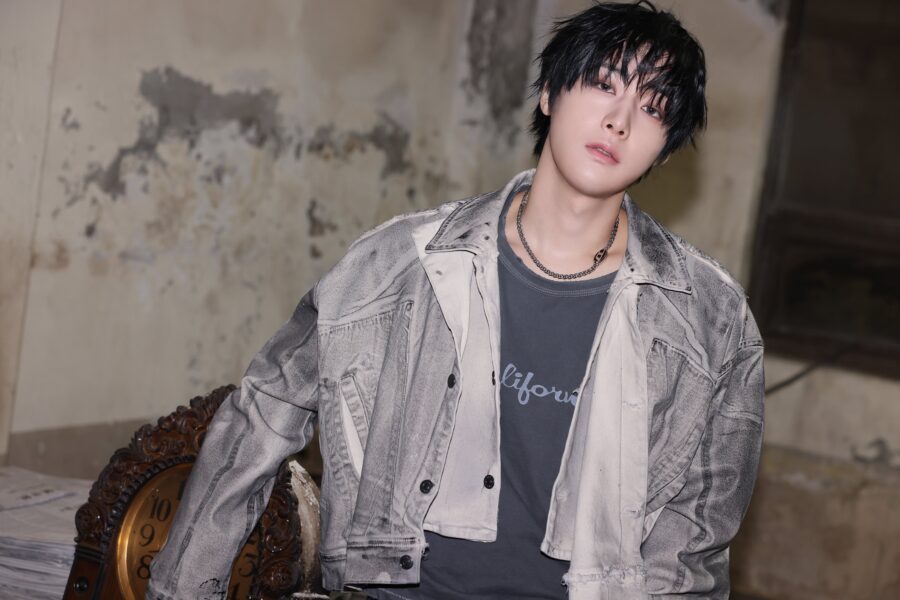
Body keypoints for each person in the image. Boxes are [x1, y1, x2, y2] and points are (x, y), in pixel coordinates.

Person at [147, 1, 765, 599]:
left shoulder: (710, 318)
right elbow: (265, 408)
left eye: (653, 108)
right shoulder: (403, 260)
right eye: (604, 84)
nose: (620, 121)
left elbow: (695, 541)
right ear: (550, 93)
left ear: (666, 146)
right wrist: (182, 588)